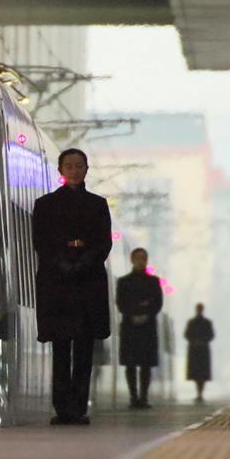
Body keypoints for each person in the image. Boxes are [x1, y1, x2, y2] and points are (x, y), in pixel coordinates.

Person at [32, 148, 112, 425]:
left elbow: (104, 244)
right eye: (70, 166)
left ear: (87, 169)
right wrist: (63, 264)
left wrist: (82, 263)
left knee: (84, 350)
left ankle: (78, 407)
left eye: (79, 166)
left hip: (87, 285)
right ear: (61, 170)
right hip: (58, 286)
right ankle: (63, 407)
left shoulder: (99, 205)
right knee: (61, 348)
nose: (75, 170)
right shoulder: (44, 206)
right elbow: (41, 243)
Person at [115, 248, 163, 409]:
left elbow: (157, 304)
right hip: (131, 326)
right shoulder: (123, 282)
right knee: (131, 363)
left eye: (143, 258)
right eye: (138, 258)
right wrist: (141, 308)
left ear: (146, 260)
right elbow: (121, 303)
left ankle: (143, 397)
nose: (141, 261)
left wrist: (142, 312)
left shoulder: (154, 282)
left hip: (146, 327)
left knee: (145, 364)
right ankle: (133, 397)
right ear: (132, 259)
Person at [184, 303, 215, 403]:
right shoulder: (206, 322)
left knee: (198, 373)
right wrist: (202, 341)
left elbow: (187, 335)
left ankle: (199, 393)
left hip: (196, 349)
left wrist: (195, 341)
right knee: (200, 373)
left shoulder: (192, 322)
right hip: (202, 350)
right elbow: (210, 335)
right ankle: (200, 393)